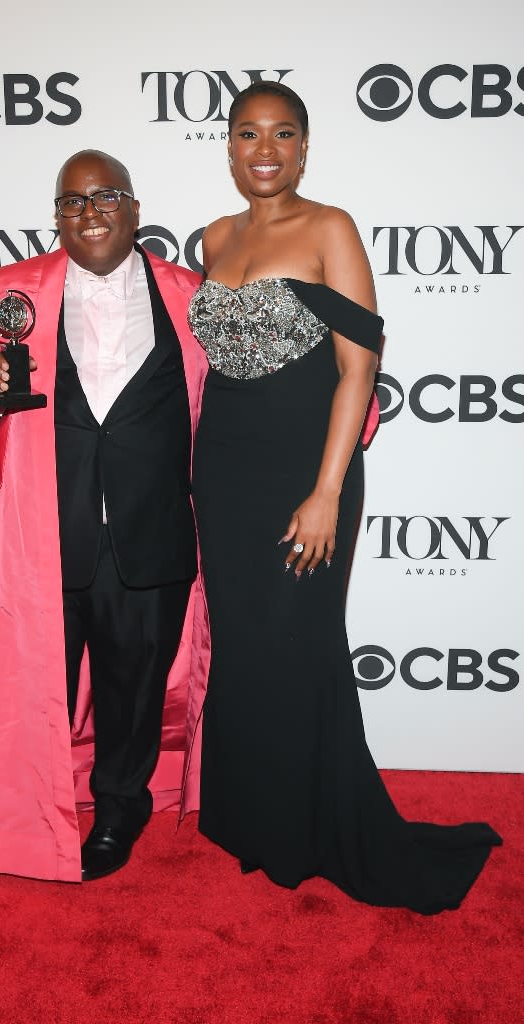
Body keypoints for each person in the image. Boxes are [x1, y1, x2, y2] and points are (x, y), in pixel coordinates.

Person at [187, 82, 501, 914]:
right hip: (221, 471)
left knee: (302, 641)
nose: (265, 148)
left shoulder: (330, 227)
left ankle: (318, 828)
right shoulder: (212, 237)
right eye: (248, 133)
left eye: (283, 134)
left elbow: (359, 369)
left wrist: (326, 491)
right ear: (226, 146)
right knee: (247, 647)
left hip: (305, 470)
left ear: (304, 146)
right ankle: (254, 818)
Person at [0, 150, 210, 883]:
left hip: (154, 531)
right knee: (26, 680)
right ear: (55, 217)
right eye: (71, 202)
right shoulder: (9, 292)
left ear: (136, 209)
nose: (90, 213)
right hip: (42, 536)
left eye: (105, 196)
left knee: (135, 686)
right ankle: (18, 805)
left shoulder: (191, 295)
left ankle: (118, 807)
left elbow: (247, 395)